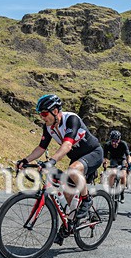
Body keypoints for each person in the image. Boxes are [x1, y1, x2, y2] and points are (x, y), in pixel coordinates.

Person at [16, 94, 104, 223]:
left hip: (94, 153)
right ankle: (71, 223)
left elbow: (67, 145)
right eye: (40, 114)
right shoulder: (48, 127)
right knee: (67, 192)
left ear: (55, 111)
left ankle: (86, 199)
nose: (42, 117)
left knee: (73, 170)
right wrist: (25, 160)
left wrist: (51, 161)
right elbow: (41, 148)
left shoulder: (71, 119)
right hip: (77, 158)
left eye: (44, 114)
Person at [102, 130, 131, 202]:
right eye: (113, 141)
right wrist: (104, 164)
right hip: (113, 159)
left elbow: (128, 156)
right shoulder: (107, 145)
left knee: (123, 175)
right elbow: (105, 157)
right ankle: (110, 192)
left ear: (119, 140)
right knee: (112, 174)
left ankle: (122, 193)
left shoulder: (123, 144)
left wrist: (129, 163)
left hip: (122, 159)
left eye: (116, 141)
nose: (114, 143)